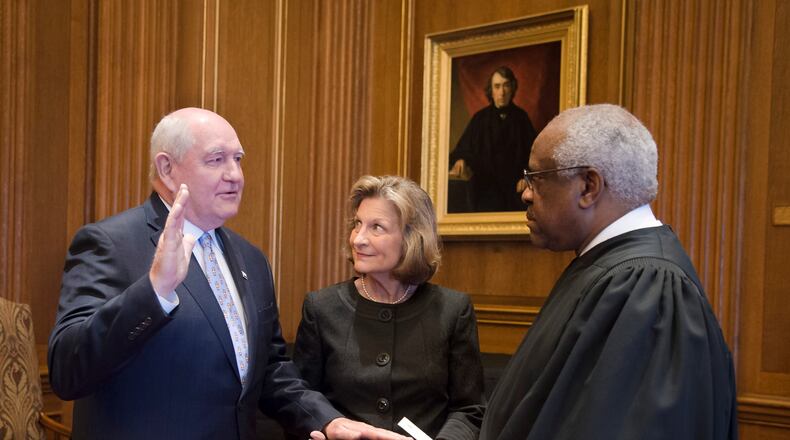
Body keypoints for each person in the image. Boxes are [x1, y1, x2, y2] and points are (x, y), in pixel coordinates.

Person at [47, 108, 409, 440]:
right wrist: (154, 290)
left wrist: (328, 420)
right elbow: (68, 369)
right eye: (216, 160)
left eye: (238, 159)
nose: (235, 175)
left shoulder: (251, 259)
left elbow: (268, 369)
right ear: (167, 168)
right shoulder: (110, 243)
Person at [480, 104, 738, 440]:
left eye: (537, 178)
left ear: (588, 186)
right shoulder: (611, 268)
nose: (525, 192)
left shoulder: (648, 289)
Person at [292, 175, 486, 440]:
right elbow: (300, 400)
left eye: (376, 228)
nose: (358, 239)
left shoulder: (452, 311)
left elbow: (469, 409)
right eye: (357, 224)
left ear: (411, 237)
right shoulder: (321, 308)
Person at [448, 65, 537, 212]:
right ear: (491, 90)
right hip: (485, 190)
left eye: (506, 86)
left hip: (514, 189)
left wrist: (526, 177)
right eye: (497, 87)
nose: (502, 92)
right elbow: (463, 149)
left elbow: (534, 155)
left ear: (512, 88)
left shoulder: (522, 118)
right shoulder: (480, 119)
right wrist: (461, 160)